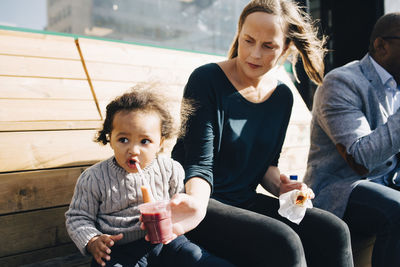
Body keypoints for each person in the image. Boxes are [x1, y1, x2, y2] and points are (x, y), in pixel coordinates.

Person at [170, 0, 354, 266]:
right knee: (285, 242)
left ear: (286, 48)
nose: (254, 54)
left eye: (268, 46)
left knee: (334, 230)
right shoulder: (206, 79)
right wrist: (195, 209)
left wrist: (284, 187)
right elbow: (199, 165)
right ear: (239, 34)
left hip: (244, 203)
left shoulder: (282, 97)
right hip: (201, 201)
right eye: (248, 40)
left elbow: (267, 166)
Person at [65, 88, 233, 267]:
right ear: (110, 138)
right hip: (119, 249)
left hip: (168, 242)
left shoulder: (170, 169)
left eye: (145, 141)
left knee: (196, 257)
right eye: (123, 139)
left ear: (160, 142)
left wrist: (179, 213)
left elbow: (178, 210)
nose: (134, 150)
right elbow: (78, 217)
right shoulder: (94, 178)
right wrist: (93, 240)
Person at [303, 12, 400, 267]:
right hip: (342, 187)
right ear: (382, 45)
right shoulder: (342, 82)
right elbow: (360, 159)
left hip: (387, 180)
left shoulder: (396, 86)